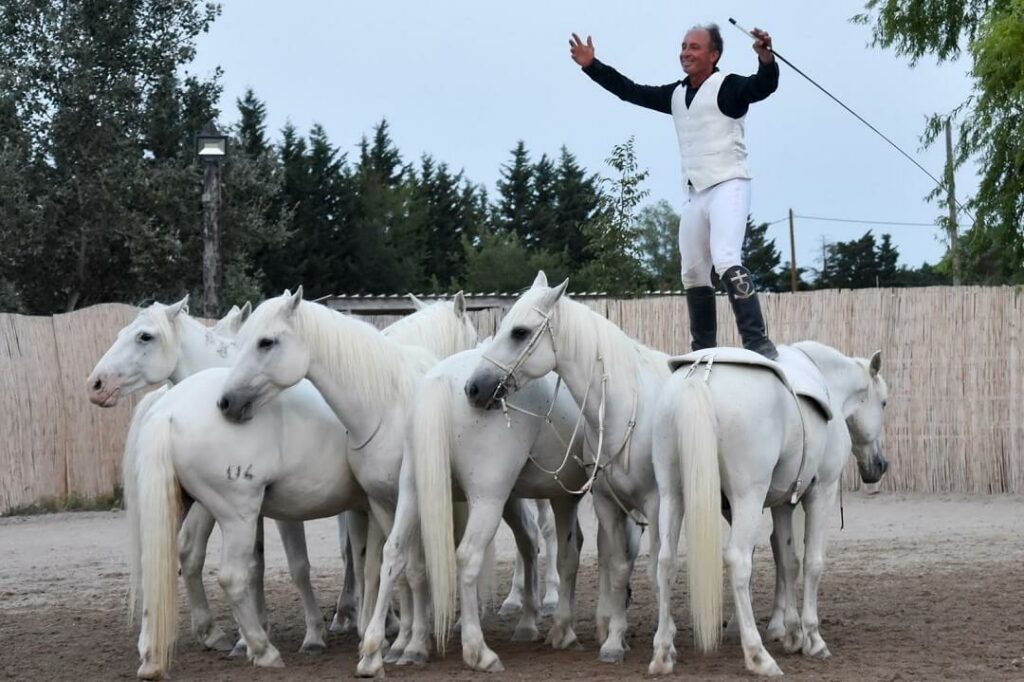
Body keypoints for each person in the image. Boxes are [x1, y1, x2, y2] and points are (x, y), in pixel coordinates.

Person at [570, 23, 779, 359]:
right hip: (695, 193)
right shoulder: (677, 95)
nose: (686, 52)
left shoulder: (728, 87)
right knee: (693, 272)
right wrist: (592, 66)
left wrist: (766, 59)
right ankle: (703, 349)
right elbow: (631, 91)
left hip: (729, 184)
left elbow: (762, 87)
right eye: (683, 46)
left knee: (725, 258)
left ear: (714, 55)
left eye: (694, 47)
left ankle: (757, 342)